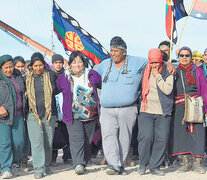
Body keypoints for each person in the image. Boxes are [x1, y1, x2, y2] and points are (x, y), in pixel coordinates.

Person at [56, 51, 100, 175]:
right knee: (77, 140)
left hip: (91, 115)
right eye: (74, 62)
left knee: (87, 141)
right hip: (72, 115)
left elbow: (101, 84)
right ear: (70, 64)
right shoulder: (63, 78)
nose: (77, 65)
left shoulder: (92, 74)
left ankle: (84, 161)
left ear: (84, 63)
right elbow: (55, 89)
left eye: (80, 62)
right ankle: (78, 164)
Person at [169, 46, 207, 174]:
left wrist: (205, 108)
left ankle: (197, 163)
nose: (184, 58)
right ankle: (185, 163)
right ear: (178, 57)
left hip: (196, 105)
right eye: (182, 55)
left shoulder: (198, 71)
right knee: (182, 133)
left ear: (191, 57)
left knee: (198, 133)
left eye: (187, 55)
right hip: (179, 106)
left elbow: (205, 90)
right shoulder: (174, 71)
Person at [137, 49, 174, 176]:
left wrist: (158, 76)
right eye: (151, 63)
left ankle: (155, 166)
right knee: (145, 137)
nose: (154, 65)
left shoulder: (168, 72)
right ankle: (142, 163)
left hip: (163, 111)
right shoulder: (144, 71)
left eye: (156, 63)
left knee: (161, 139)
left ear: (160, 61)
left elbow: (168, 90)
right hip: (146, 110)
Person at [25, 52, 57, 179]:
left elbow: (59, 87)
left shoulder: (51, 76)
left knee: (48, 142)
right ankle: (38, 168)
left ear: (44, 65)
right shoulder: (26, 79)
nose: (38, 68)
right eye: (36, 65)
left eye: (41, 65)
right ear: (31, 66)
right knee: (37, 142)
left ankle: (46, 165)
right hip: (33, 115)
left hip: (49, 114)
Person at [0, 55, 26, 179]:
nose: (9, 70)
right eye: (6, 67)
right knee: (5, 142)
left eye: (11, 67)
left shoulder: (18, 76)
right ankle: (5, 168)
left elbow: (23, 89)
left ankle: (14, 162)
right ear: (1, 68)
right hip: (3, 117)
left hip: (18, 115)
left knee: (19, 142)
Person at [51, 54, 71, 166]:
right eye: (56, 62)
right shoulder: (49, 75)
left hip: (65, 107)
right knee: (54, 133)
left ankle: (67, 156)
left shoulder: (67, 75)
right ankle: (53, 158)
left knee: (66, 132)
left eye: (60, 62)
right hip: (54, 107)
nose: (58, 65)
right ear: (52, 63)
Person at [13, 56, 30, 173]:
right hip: (14, 114)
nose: (20, 69)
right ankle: (14, 161)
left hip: (27, 112)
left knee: (25, 138)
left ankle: (23, 160)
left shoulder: (28, 78)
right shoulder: (11, 79)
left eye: (22, 66)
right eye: (17, 66)